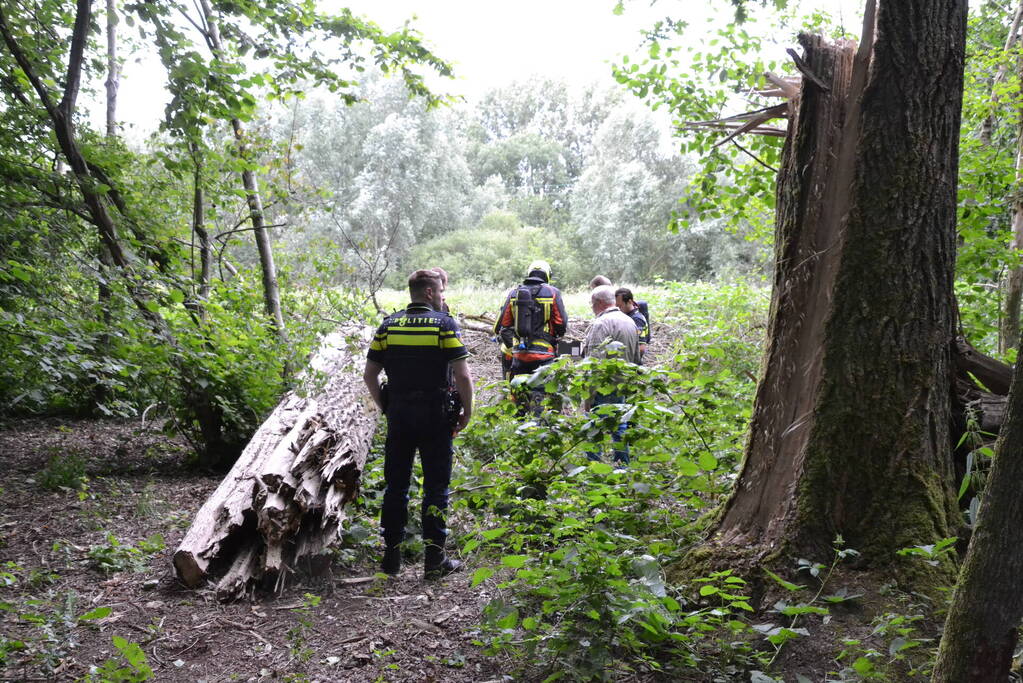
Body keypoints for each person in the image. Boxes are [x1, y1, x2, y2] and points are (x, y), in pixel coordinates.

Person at [363, 269, 474, 580]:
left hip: (399, 413)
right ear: (428, 293)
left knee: (396, 485)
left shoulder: (388, 325)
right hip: (436, 415)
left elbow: (369, 375)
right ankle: (434, 559)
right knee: (436, 487)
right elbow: (463, 375)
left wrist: (385, 406)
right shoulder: (444, 325)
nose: (442, 297)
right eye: (440, 292)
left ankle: (391, 558)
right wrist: (467, 411)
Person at [582, 285, 640, 465]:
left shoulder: (601, 324)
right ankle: (622, 466)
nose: (592, 308)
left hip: (603, 386)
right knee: (620, 426)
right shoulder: (629, 321)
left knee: (593, 428)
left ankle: (594, 468)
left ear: (598, 303)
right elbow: (636, 357)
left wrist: (588, 396)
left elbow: (594, 362)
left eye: (592, 304)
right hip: (623, 383)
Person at [495, 260, 568, 379]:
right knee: (548, 391)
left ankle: (510, 395)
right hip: (545, 353)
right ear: (548, 275)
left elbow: (502, 324)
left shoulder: (514, 293)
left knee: (516, 390)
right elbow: (561, 324)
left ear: (529, 273)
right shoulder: (553, 292)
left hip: (519, 353)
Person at [615, 287, 650, 361]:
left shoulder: (637, 320)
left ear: (630, 302)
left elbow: (641, 348)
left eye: (620, 306)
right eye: (616, 306)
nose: (618, 309)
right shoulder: (626, 315)